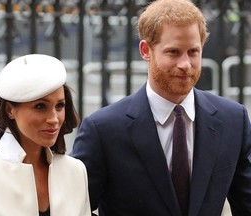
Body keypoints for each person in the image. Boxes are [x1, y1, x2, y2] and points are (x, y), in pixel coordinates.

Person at [70, 0, 251, 215]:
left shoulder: (233, 120)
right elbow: (73, 206)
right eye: (173, 52)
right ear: (146, 50)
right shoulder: (104, 129)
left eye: (193, 52)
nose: (185, 64)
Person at [0, 54, 91, 216]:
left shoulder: (76, 171)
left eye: (59, 106)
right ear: (10, 110)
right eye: (40, 106)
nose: (53, 119)